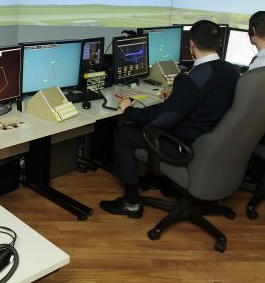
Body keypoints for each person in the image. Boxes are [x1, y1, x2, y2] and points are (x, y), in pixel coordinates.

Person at [100, 20, 240, 218]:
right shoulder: (231, 71)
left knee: (123, 133)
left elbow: (160, 121)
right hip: (209, 140)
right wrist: (176, 98)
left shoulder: (191, 78)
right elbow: (208, 100)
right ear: (218, 43)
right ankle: (164, 183)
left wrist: (129, 110)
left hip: (184, 145)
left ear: (191, 43)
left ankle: (131, 202)